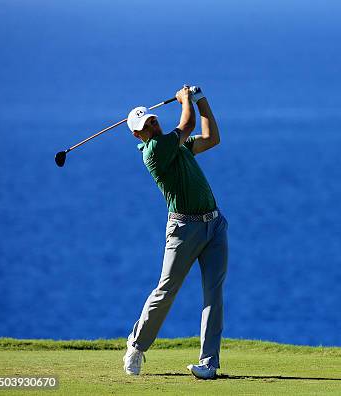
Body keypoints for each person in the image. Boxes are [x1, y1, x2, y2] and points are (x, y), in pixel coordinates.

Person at [122, 85, 228, 380]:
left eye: (153, 120)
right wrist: (185, 100)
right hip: (184, 229)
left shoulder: (176, 145)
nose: (152, 125)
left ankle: (209, 363)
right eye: (145, 125)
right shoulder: (154, 150)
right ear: (137, 134)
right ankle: (137, 345)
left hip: (214, 225)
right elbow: (188, 124)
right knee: (166, 290)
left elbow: (211, 138)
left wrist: (202, 99)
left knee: (213, 295)